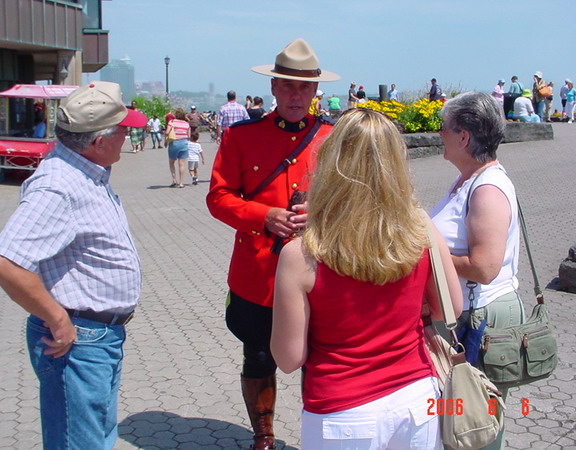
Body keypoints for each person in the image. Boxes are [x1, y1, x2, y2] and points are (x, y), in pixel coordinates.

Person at [270, 108, 463, 449]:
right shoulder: (420, 230)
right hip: (418, 401)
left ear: (330, 163)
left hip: (341, 412)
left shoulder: (301, 255)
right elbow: (451, 306)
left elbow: (288, 359)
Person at [0, 81, 146, 449]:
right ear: (99, 142)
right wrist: (58, 319)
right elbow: (5, 262)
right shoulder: (59, 187)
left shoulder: (86, 173)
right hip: (78, 339)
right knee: (80, 443)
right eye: (123, 130)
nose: (127, 136)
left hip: (96, 337)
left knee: (95, 438)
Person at [206, 37, 340, 450]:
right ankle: (263, 435)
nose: (296, 95)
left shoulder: (333, 138)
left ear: (316, 91)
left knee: (321, 360)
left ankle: (320, 433)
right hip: (259, 273)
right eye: (288, 86)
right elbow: (218, 197)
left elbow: (354, 195)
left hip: (322, 272)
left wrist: (317, 215)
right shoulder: (241, 137)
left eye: (305, 87)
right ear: (273, 89)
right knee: (259, 356)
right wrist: (263, 216)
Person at [431, 91, 524, 450]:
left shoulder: (487, 189)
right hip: (469, 317)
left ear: (464, 136)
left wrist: (428, 257)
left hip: (481, 320)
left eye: (444, 128)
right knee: (463, 418)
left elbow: (484, 268)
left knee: (475, 424)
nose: (440, 133)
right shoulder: (468, 180)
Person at [165, 108, 190, 188]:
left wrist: (166, 141)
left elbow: (167, 132)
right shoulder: (186, 123)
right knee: (181, 164)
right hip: (184, 143)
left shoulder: (172, 122)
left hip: (174, 143)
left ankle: (174, 180)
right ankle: (181, 183)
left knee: (171, 162)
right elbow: (189, 136)